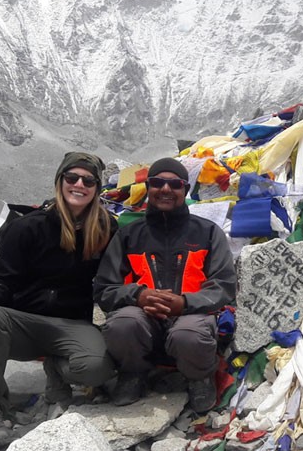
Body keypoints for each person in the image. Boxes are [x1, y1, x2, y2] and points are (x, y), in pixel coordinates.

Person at [0, 152, 117, 450]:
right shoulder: (27, 227)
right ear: (60, 181)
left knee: (98, 368)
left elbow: (113, 280)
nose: (79, 184)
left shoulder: (108, 229)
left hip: (71, 324)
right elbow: (3, 282)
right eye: (72, 178)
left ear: (97, 188)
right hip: (25, 323)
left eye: (88, 180)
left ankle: (57, 368)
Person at [94, 157, 236, 414]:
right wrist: (138, 296)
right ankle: (133, 373)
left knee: (189, 333)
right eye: (158, 183)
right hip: (143, 323)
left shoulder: (208, 232)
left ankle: (199, 377)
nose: (166, 189)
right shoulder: (128, 235)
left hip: (190, 320)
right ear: (148, 188)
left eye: (176, 184)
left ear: (186, 190)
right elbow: (104, 288)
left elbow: (224, 286)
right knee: (123, 322)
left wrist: (185, 303)